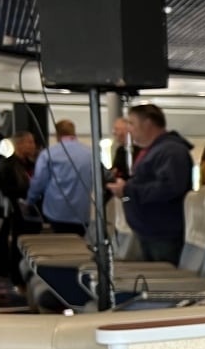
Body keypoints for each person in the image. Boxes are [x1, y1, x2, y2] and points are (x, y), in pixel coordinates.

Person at [106, 104, 194, 264]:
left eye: (131, 123)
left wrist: (127, 189)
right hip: (150, 232)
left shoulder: (171, 151)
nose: (129, 129)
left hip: (163, 234)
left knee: (164, 283)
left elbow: (169, 187)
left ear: (147, 124)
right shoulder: (154, 151)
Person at [26, 119, 94, 235]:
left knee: (60, 246)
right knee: (79, 247)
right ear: (74, 132)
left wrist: (30, 200)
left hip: (56, 212)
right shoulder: (90, 153)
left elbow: (39, 182)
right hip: (82, 212)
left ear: (57, 134)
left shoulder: (48, 154)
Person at [0, 131, 40, 283]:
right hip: (17, 213)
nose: (33, 146)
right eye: (29, 142)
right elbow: (6, 189)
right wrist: (28, 193)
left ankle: (32, 276)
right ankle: (18, 278)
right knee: (18, 247)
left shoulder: (34, 165)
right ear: (19, 144)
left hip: (35, 213)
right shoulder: (7, 165)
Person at [110, 117, 131, 181]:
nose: (114, 132)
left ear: (125, 130)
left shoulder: (137, 149)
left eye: (116, 129)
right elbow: (115, 170)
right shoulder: (120, 150)